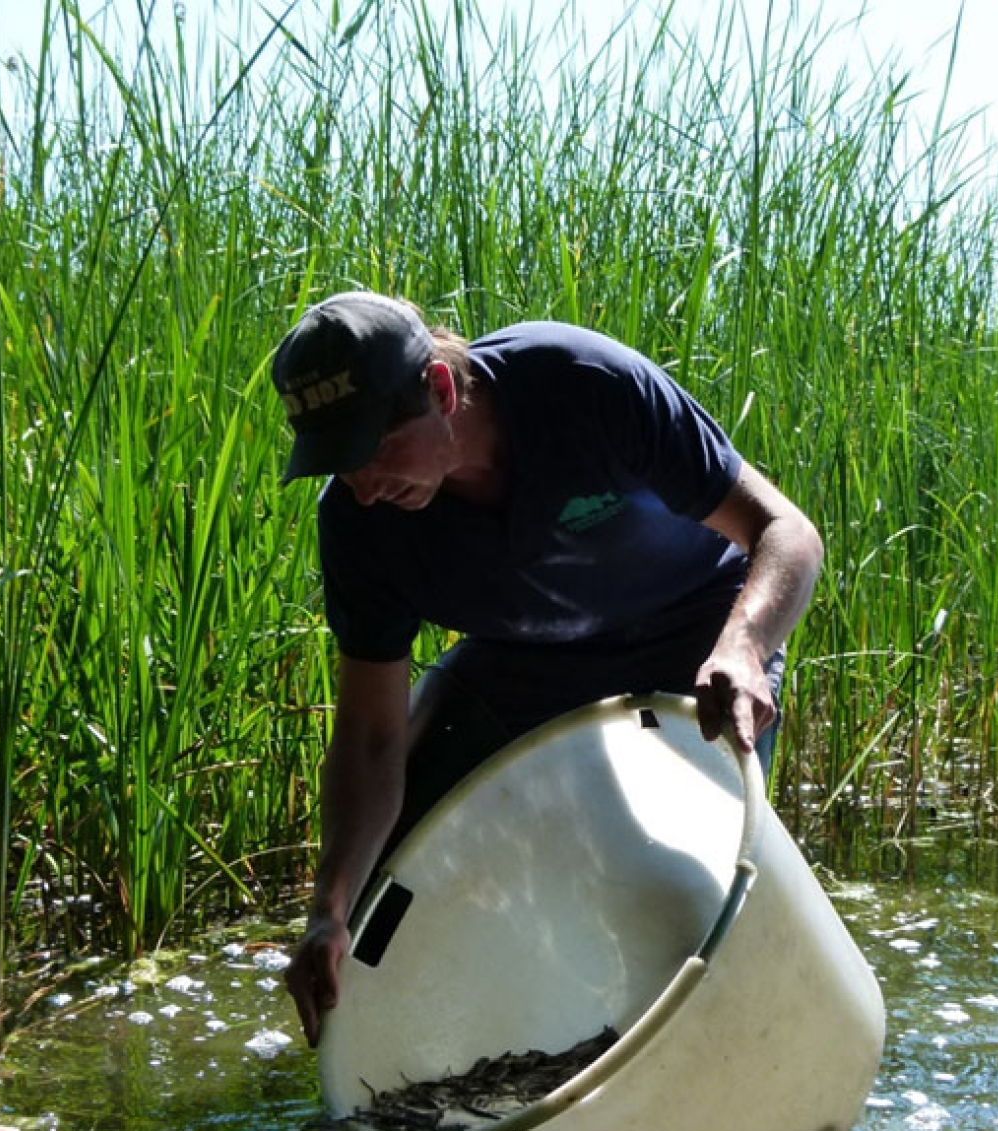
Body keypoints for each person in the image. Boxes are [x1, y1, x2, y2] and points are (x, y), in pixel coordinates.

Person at [272, 291, 823, 1047]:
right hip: (524, 658)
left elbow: (785, 531)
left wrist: (744, 646)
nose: (364, 485)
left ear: (439, 389)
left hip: (694, 638)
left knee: (704, 890)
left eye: (374, 449)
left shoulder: (582, 384)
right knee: (381, 890)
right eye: (339, 463)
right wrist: (327, 908)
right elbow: (370, 739)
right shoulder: (358, 523)